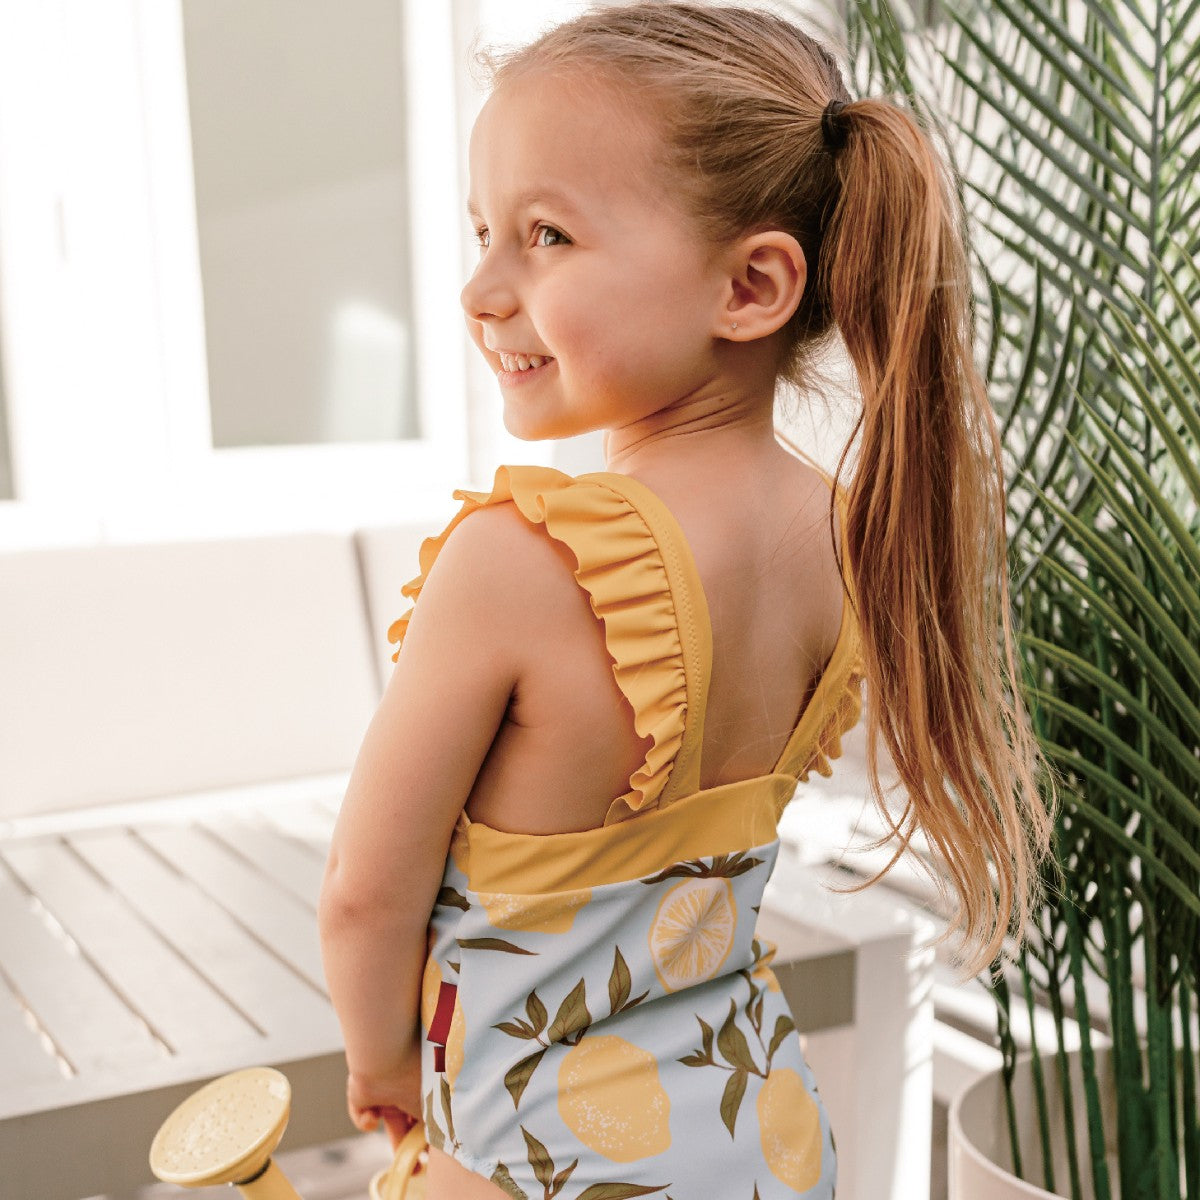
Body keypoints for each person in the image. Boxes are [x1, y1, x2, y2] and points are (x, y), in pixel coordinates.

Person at [317, 4, 1056, 1197]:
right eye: (484, 232)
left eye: (546, 234)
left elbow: (363, 893)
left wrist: (386, 1067)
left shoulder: (518, 561)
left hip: (528, 1161)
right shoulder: (847, 540)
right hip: (756, 1134)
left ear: (753, 284)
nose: (481, 287)